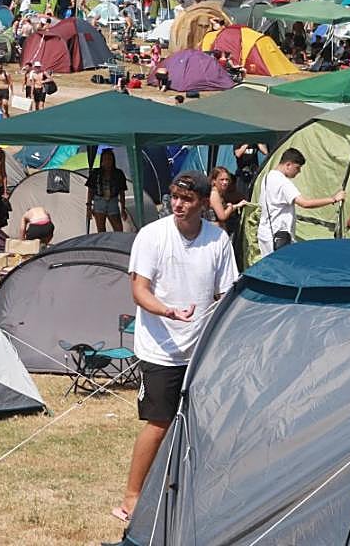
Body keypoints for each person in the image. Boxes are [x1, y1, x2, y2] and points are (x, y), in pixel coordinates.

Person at [114, 171, 238, 524]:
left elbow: (225, 293)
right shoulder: (153, 236)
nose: (178, 205)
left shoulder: (217, 240)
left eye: (187, 199)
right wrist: (168, 311)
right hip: (161, 348)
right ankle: (131, 497)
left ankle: (197, 489)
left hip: (201, 349)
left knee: (204, 423)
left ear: (203, 202)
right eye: (174, 197)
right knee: (160, 422)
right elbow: (139, 291)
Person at [256, 148, 344, 257]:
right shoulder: (283, 182)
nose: (299, 171)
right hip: (278, 236)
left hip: (265, 233)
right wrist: (333, 199)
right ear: (288, 164)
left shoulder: (267, 177)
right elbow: (305, 203)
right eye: (297, 168)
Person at [87, 149, 129, 233]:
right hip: (99, 202)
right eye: (105, 159)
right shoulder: (96, 173)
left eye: (110, 159)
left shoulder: (118, 173)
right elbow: (90, 190)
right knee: (101, 230)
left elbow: (122, 192)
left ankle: (117, 245)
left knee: (119, 230)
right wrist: (89, 207)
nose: (107, 162)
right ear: (102, 161)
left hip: (113, 202)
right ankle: (104, 245)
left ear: (113, 161)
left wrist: (123, 208)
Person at [208, 167, 246, 236]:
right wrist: (230, 207)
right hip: (214, 233)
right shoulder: (214, 194)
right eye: (221, 180)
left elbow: (223, 209)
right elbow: (222, 216)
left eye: (227, 180)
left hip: (218, 232)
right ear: (214, 180)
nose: (225, 182)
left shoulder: (219, 193)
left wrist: (238, 205)